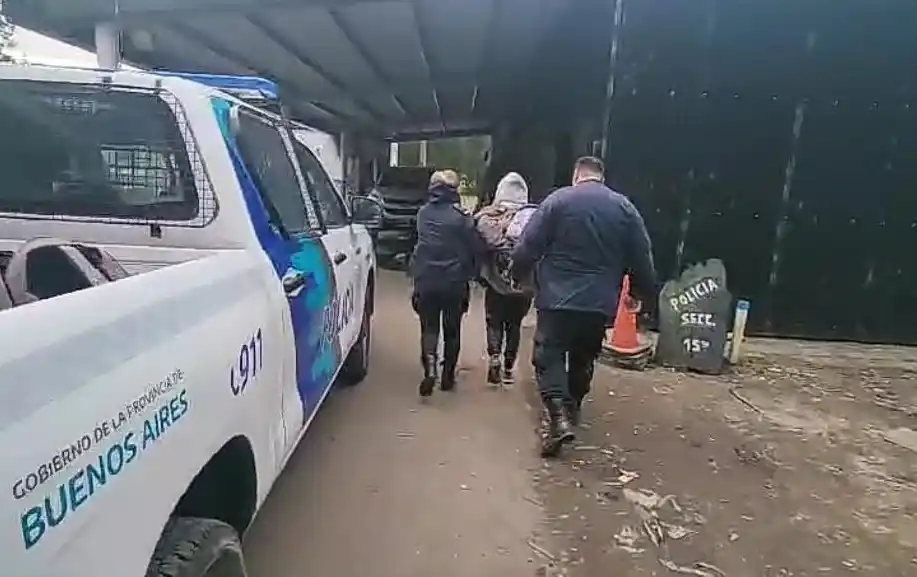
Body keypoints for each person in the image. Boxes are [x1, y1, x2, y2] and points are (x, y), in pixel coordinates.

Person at [511, 156, 657, 457]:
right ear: (600, 177)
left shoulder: (557, 201)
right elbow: (642, 254)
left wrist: (517, 274)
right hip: (599, 302)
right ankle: (572, 407)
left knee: (548, 356)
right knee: (584, 356)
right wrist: (640, 292)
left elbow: (529, 244)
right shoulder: (624, 208)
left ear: (577, 175)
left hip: (556, 299)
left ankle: (557, 418)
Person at [410, 169, 485, 398]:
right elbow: (476, 249)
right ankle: (447, 378)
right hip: (454, 282)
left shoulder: (423, 213)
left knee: (429, 327)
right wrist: (473, 274)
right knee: (452, 331)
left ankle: (430, 366)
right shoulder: (462, 218)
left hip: (426, 279)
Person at [473, 172, 537, 388]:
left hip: (495, 282)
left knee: (494, 321)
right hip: (524, 284)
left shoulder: (489, 217)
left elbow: (479, 244)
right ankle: (509, 368)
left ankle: (494, 358)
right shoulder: (533, 219)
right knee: (515, 325)